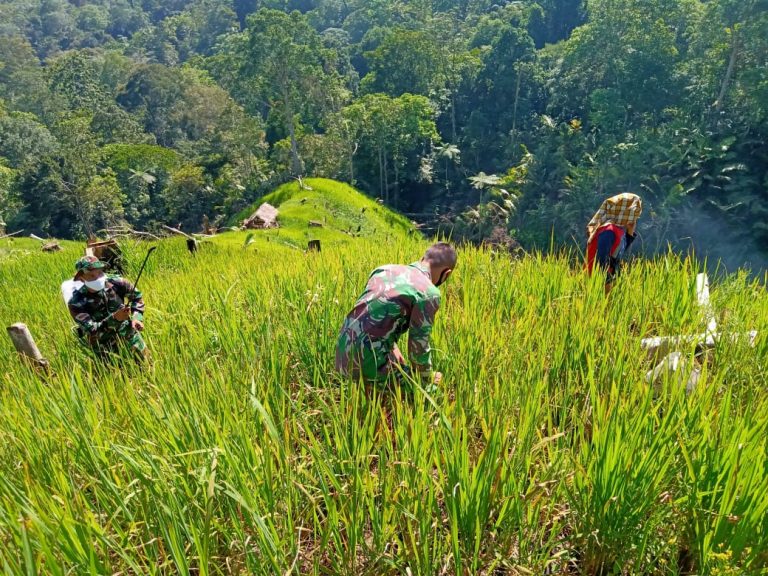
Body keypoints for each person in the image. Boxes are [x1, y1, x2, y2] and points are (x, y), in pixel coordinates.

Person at [335, 242, 457, 391]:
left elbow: (372, 324)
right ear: (447, 274)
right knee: (425, 390)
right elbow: (418, 348)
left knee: (398, 364)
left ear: (422, 258)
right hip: (366, 361)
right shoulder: (429, 293)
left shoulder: (383, 270)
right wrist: (428, 379)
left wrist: (400, 362)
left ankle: (373, 394)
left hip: (342, 353)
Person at [67, 256, 148, 360]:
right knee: (115, 374)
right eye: (91, 276)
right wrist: (115, 319)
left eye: (100, 273)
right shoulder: (76, 302)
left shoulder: (117, 283)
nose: (97, 278)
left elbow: (137, 297)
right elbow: (91, 330)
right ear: (82, 278)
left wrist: (137, 317)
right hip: (103, 345)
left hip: (129, 334)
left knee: (147, 365)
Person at [586, 192, 642, 293]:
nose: (635, 218)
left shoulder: (617, 229)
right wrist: (608, 284)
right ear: (624, 212)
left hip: (606, 282)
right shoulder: (608, 230)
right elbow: (601, 260)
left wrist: (630, 233)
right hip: (599, 284)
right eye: (634, 214)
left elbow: (616, 254)